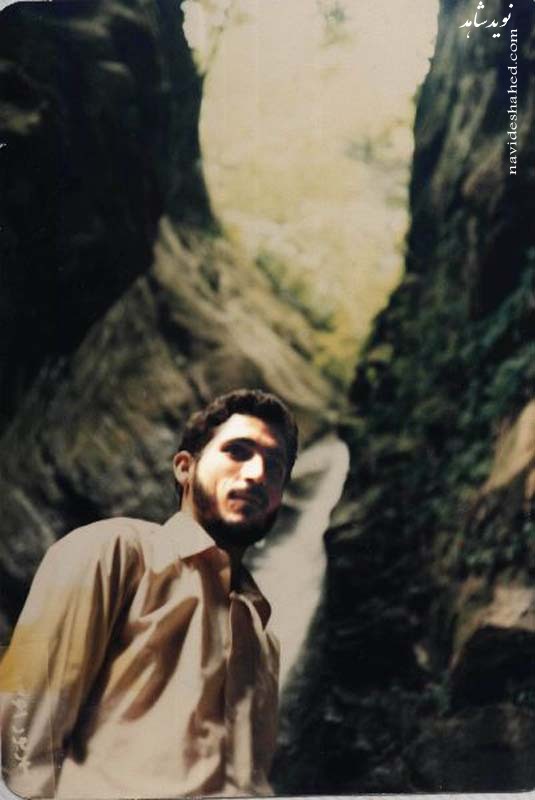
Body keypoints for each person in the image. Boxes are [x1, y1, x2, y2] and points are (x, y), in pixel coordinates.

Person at [0, 389, 298, 799]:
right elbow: (19, 747)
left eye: (275, 465)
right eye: (238, 451)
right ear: (185, 468)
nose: (257, 473)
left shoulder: (261, 636)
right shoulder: (112, 552)